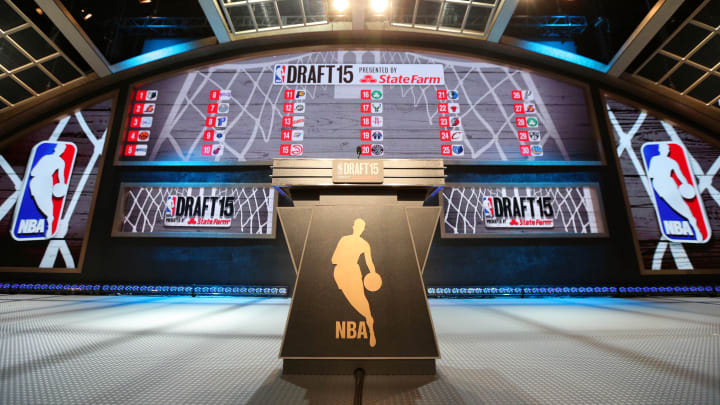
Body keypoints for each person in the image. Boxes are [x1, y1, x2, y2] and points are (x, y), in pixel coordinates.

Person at [331, 218, 378, 347]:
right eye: (358, 226)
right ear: (354, 227)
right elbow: (333, 259)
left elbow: (370, 263)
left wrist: (373, 274)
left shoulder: (364, 244)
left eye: (360, 226)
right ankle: (368, 318)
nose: (359, 228)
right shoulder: (344, 240)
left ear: (362, 229)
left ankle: (370, 324)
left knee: (361, 300)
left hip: (353, 271)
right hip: (341, 272)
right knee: (353, 300)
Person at [647, 143, 700, 241]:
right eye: (664, 149)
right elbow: (650, 174)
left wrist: (686, 186)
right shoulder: (655, 159)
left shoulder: (672, 162)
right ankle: (691, 219)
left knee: (680, 203)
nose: (666, 151)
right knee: (674, 204)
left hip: (669, 182)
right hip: (660, 184)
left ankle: (693, 222)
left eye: (667, 149)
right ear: (660, 150)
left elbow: (680, 176)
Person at [29, 143, 67, 237]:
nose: (59, 150)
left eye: (61, 149)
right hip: (37, 180)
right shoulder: (46, 157)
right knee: (39, 201)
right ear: (56, 149)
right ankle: (50, 218)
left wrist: (62, 186)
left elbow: (61, 176)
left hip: (44, 180)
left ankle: (50, 223)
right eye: (59, 148)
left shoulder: (60, 161)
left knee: (47, 202)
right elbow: (33, 171)